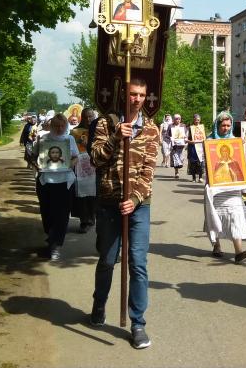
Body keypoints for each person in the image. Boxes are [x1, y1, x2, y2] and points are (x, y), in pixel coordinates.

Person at [89, 78, 158, 349]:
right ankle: (99, 303)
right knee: (107, 260)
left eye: (141, 95)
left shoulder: (151, 129)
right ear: (123, 94)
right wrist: (116, 137)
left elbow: (148, 171)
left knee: (138, 264)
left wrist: (135, 198)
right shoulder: (106, 123)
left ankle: (138, 323)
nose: (137, 99)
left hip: (139, 205)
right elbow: (95, 158)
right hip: (109, 203)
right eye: (132, 94)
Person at [203, 111, 246, 263]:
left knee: (235, 215)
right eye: (223, 125)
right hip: (215, 189)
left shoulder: (236, 141)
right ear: (217, 125)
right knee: (214, 215)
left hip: (233, 189)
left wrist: (243, 147)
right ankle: (216, 246)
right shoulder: (210, 141)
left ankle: (238, 251)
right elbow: (209, 166)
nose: (226, 128)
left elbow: (241, 167)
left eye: (228, 125)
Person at [33, 113, 78, 261]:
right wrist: (37, 165)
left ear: (66, 126)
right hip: (46, 181)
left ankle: (56, 245)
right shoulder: (43, 139)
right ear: (51, 126)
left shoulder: (69, 139)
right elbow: (33, 156)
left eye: (62, 126)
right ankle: (51, 236)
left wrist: (68, 165)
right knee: (47, 213)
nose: (59, 128)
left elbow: (76, 157)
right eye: (56, 126)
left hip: (65, 181)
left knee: (62, 214)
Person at [71, 107, 97, 233]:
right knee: (81, 194)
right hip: (79, 165)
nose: (88, 119)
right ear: (82, 117)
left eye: (91, 116)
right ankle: (84, 220)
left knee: (93, 193)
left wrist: (88, 144)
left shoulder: (98, 131)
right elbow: (70, 148)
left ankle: (92, 218)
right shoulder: (75, 131)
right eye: (86, 117)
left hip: (94, 165)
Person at [187, 114, 206, 183]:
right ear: (193, 120)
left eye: (198, 120)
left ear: (200, 120)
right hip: (193, 147)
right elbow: (186, 138)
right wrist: (190, 141)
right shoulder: (190, 128)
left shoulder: (202, 127)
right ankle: (194, 177)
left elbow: (204, 137)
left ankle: (200, 177)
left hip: (200, 146)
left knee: (200, 161)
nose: (197, 121)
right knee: (193, 162)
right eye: (195, 120)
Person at [169, 113, 187, 179]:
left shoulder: (183, 126)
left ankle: (179, 167)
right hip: (174, 145)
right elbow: (167, 134)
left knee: (181, 158)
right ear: (174, 119)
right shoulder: (171, 126)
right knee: (175, 158)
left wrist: (185, 137)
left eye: (179, 119)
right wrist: (170, 137)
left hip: (181, 145)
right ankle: (176, 172)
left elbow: (185, 133)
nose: (178, 120)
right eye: (176, 119)